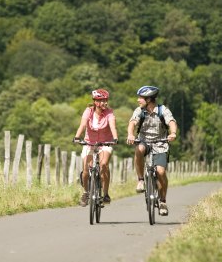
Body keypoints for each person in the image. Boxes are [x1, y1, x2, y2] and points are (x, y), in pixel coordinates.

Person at [126, 86, 177, 216]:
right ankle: (141, 180)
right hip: (144, 141)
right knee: (139, 148)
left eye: (141, 98)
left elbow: (171, 122)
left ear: (149, 99)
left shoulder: (163, 110)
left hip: (160, 144)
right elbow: (132, 123)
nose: (138, 100)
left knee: (160, 171)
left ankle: (163, 201)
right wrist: (130, 134)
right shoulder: (139, 111)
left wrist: (173, 133)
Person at [73, 89, 118, 207]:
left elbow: (113, 126)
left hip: (105, 143)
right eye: (102, 101)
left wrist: (115, 138)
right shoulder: (88, 111)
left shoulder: (109, 112)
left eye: (106, 100)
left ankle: (106, 193)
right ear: (96, 102)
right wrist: (77, 137)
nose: (105, 103)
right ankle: (86, 192)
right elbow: (82, 125)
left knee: (103, 164)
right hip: (89, 143)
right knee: (86, 170)